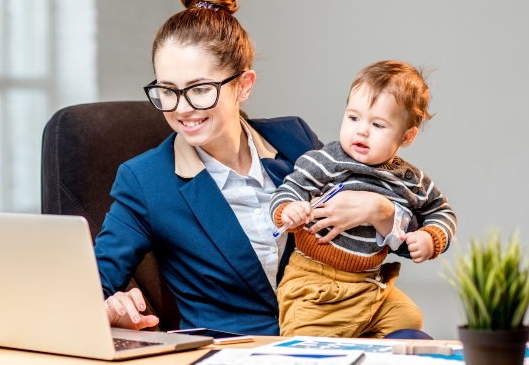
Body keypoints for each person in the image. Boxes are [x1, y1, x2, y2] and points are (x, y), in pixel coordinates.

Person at [95, 0, 417, 336]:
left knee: (417, 342)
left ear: (244, 85)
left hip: (340, 329)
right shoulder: (146, 181)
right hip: (238, 351)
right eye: (168, 91)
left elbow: (415, 240)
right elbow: (90, 288)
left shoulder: (294, 140)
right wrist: (110, 308)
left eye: (201, 89)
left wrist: (380, 211)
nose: (183, 108)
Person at [270, 60, 457, 337]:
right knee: (304, 342)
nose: (361, 130)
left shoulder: (410, 178)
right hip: (315, 283)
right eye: (353, 118)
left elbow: (442, 211)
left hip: (370, 284)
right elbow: (289, 189)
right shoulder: (326, 160)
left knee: (409, 317)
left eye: (378, 124)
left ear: (406, 136)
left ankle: (361, 341)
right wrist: (289, 209)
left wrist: (431, 238)